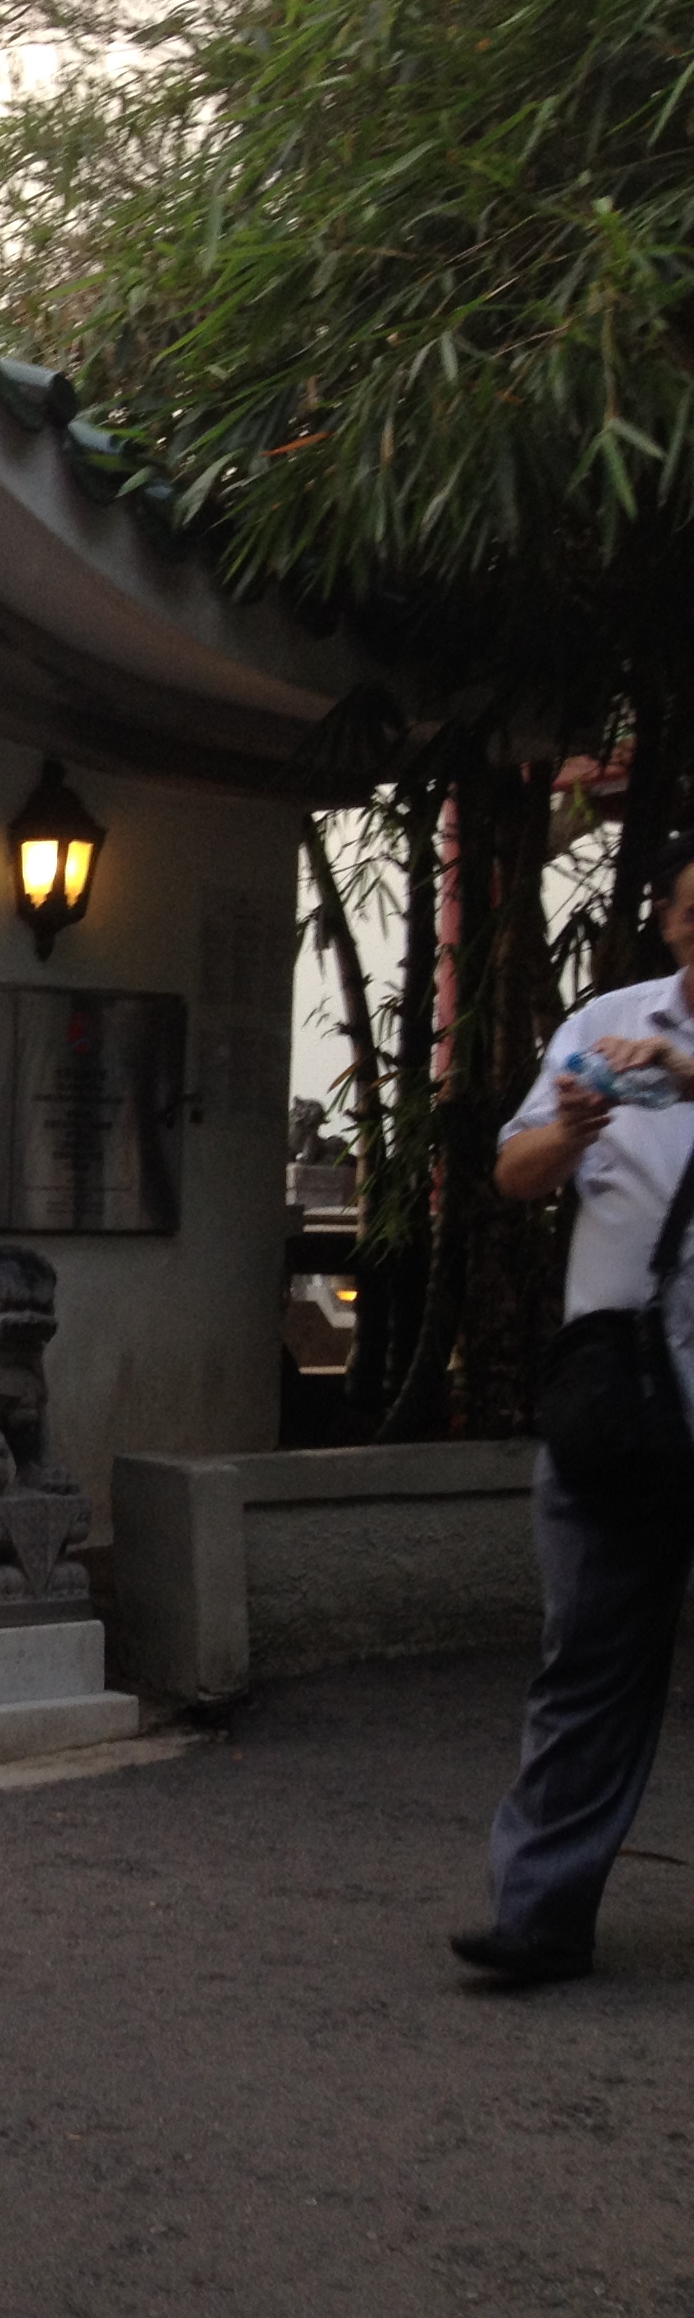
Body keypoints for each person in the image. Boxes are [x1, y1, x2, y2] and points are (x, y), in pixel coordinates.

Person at [460, 831, 694, 1985]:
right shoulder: (607, 1023)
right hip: (619, 1409)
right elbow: (514, 1175)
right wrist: (571, 1131)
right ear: (670, 918)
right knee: (587, 1662)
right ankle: (539, 1916)